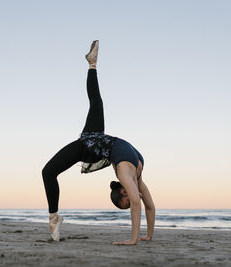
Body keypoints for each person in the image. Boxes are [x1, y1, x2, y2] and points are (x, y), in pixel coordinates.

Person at [42, 40, 155, 245]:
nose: (131, 200)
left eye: (126, 203)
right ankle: (92, 65)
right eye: (127, 202)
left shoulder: (127, 172)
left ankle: (53, 218)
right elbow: (146, 206)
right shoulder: (132, 175)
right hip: (96, 136)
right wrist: (140, 238)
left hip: (89, 147)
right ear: (123, 191)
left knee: (48, 172)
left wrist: (138, 238)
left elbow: (143, 204)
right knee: (97, 102)